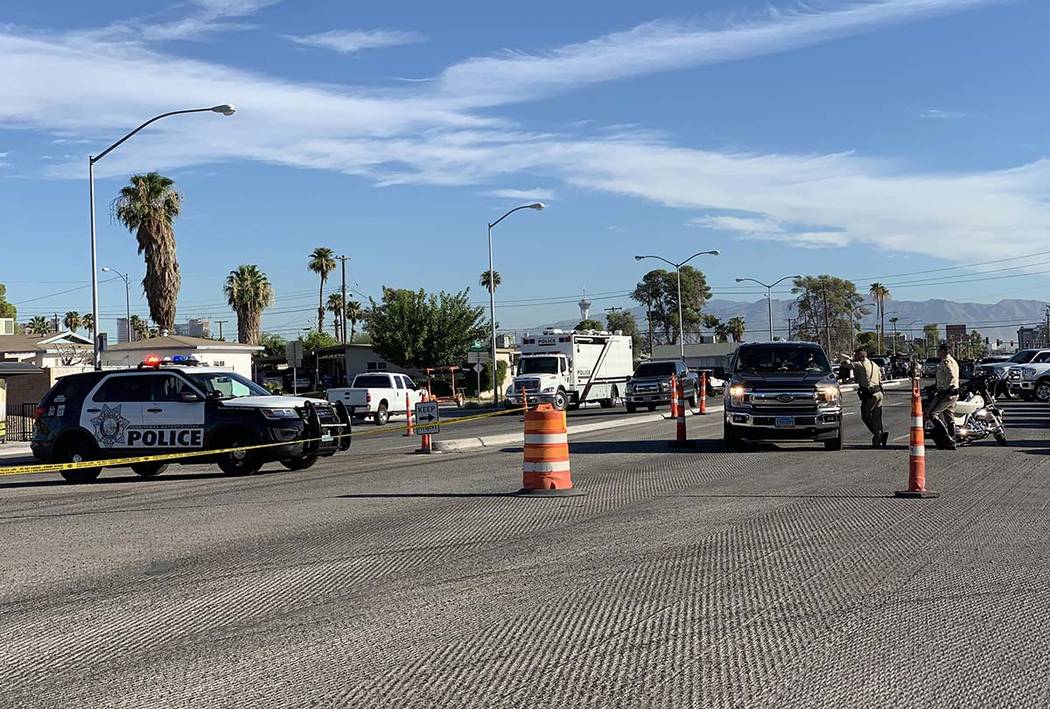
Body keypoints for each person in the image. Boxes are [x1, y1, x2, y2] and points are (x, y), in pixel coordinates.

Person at [852, 349, 887, 448]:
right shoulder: (874, 365)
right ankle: (880, 435)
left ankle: (878, 434)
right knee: (877, 417)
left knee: (865, 415)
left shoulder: (860, 364)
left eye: (856, 356)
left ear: (861, 357)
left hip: (870, 395)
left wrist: (848, 358)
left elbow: (844, 364)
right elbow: (881, 380)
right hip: (879, 393)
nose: (855, 357)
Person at [928, 343, 961, 449]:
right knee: (949, 417)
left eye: (939, 350)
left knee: (932, 414)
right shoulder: (953, 361)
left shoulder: (946, 361)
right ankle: (952, 441)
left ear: (943, 351)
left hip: (947, 394)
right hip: (954, 393)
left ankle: (946, 437)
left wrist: (945, 388)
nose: (937, 352)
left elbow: (950, 375)